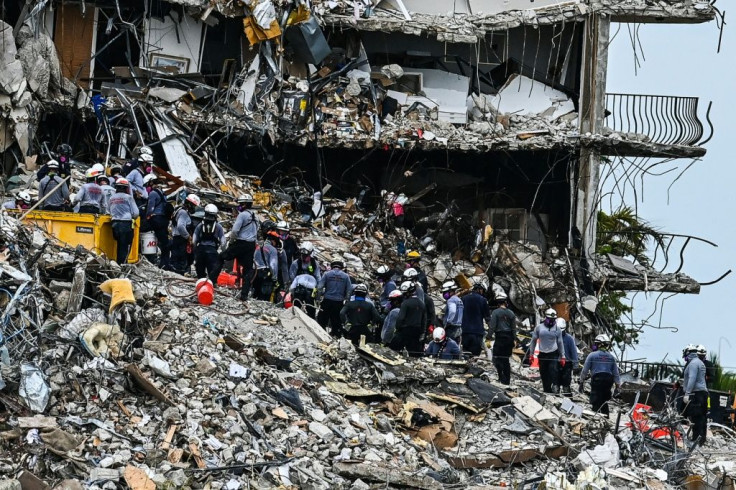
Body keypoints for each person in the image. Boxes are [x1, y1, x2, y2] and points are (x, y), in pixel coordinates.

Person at [221, 194, 259, 301]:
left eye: (241, 204)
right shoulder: (256, 216)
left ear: (245, 204)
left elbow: (234, 231)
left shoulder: (242, 215)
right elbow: (256, 231)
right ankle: (244, 295)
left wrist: (232, 241)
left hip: (241, 243)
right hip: (251, 245)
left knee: (222, 257)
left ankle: (212, 280)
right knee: (247, 271)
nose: (239, 206)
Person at [579, 334, 620, 415]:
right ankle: (606, 417)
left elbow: (585, 370)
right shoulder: (611, 357)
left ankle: (595, 418)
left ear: (599, 344)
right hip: (608, 380)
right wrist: (617, 387)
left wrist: (581, 381)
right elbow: (616, 373)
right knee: (604, 401)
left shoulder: (592, 355)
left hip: (597, 380)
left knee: (595, 401)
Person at [530, 308, 566, 393]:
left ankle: (555, 388)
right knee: (543, 373)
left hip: (553, 353)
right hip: (542, 354)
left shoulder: (557, 329)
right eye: (550, 319)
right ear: (546, 318)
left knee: (553, 371)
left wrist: (563, 356)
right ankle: (547, 390)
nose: (551, 321)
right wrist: (531, 354)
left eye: (553, 320)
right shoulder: (539, 328)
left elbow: (560, 342)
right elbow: (533, 341)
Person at [390, 281, 426, 355]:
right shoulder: (421, 303)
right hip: (417, 331)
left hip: (405, 330)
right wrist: (422, 332)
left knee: (393, 349)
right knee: (414, 352)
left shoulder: (405, 303)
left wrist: (398, 328)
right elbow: (424, 320)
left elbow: (400, 318)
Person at [108, 178, 139, 264]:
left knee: (119, 245)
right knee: (125, 246)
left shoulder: (111, 198)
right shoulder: (128, 198)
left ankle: (118, 264)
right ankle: (122, 265)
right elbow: (136, 213)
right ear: (126, 188)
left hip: (114, 224)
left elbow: (108, 211)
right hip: (125, 224)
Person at [682, 344, 708, 445]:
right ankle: (701, 440)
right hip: (703, 393)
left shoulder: (693, 364)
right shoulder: (699, 362)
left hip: (697, 394)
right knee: (702, 417)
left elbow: (692, 378)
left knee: (696, 417)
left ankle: (696, 440)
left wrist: (687, 393)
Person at [316, 260, 351, 337]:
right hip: (338, 302)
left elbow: (319, 287)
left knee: (322, 320)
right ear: (341, 267)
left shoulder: (327, 274)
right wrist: (347, 301)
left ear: (332, 267)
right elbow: (349, 290)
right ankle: (335, 336)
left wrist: (318, 299)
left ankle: (321, 335)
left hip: (327, 300)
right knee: (336, 321)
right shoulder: (346, 276)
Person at [192, 204, 225, 283]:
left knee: (200, 274)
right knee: (212, 276)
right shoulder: (218, 227)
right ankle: (210, 288)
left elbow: (194, 241)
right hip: (212, 252)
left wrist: (195, 250)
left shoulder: (200, 226)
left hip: (201, 251)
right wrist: (222, 253)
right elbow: (223, 242)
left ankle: (200, 287)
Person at [144, 175, 171, 269]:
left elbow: (150, 209)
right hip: (164, 220)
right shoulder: (163, 193)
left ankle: (155, 261)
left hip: (156, 219)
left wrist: (147, 217)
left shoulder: (153, 193)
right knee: (164, 242)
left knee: (145, 234)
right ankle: (164, 263)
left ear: (152, 183)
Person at [489, 297, 517, 385]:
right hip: (509, 338)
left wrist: (488, 336)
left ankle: (501, 377)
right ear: (505, 303)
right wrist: (515, 339)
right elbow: (514, 328)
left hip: (500, 337)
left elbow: (492, 326)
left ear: (498, 303)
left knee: (497, 358)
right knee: (506, 360)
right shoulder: (511, 313)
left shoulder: (495, 312)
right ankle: (507, 380)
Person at [253, 230, 286, 302]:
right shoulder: (272, 249)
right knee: (264, 298)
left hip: (255, 273)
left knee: (255, 295)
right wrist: (274, 278)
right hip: (266, 275)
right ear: (273, 240)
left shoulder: (258, 248)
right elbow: (273, 265)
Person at [170, 194, 200, 275]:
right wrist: (188, 237)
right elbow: (180, 226)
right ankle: (179, 273)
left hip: (177, 238)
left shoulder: (179, 209)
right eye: (194, 206)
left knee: (176, 258)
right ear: (190, 204)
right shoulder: (183, 213)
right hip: (180, 239)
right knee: (181, 259)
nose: (194, 208)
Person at [460, 283, 491, 356]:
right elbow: (487, 318)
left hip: (465, 331)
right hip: (477, 333)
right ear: (479, 290)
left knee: (465, 354)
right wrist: (491, 331)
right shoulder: (483, 300)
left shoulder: (463, 298)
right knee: (475, 356)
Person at [558, 319, 578, 396]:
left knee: (566, 383)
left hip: (567, 364)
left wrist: (575, 364)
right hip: (556, 363)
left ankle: (568, 397)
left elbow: (574, 352)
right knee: (556, 383)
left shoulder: (569, 338)